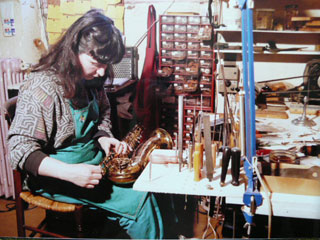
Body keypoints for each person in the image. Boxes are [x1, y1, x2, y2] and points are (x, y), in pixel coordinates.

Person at [8, 8, 164, 239]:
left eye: (106, 64)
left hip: (93, 165)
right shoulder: (41, 87)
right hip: (56, 176)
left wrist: (103, 137)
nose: (102, 71)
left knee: (150, 182)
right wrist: (69, 173)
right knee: (140, 202)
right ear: (73, 50)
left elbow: (103, 112)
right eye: (96, 62)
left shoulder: (89, 78)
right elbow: (18, 148)